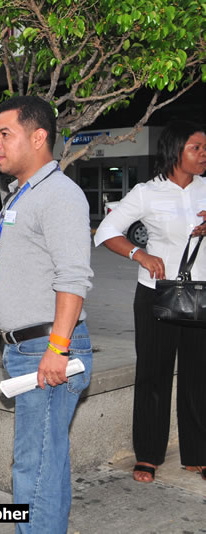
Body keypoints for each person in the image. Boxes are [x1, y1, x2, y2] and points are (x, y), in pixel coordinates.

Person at [0, 96, 93, 533]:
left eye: (5, 133)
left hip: (45, 351)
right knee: (47, 464)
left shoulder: (60, 195)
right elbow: (23, 261)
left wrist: (57, 349)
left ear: (38, 137)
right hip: (29, 349)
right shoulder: (23, 194)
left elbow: (73, 280)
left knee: (34, 468)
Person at [94, 120, 206, 484]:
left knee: (198, 378)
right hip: (157, 295)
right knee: (153, 376)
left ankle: (197, 454)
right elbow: (106, 232)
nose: (204, 154)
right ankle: (148, 455)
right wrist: (139, 254)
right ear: (176, 151)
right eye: (196, 148)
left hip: (202, 295)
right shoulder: (147, 192)